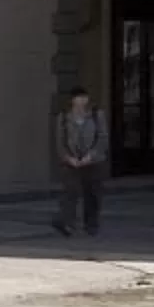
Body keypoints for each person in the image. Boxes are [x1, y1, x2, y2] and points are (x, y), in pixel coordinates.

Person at [52, 84, 109, 240]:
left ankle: (91, 225)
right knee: (70, 192)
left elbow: (102, 138)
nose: (82, 101)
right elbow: (60, 142)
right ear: (72, 100)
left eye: (84, 97)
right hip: (72, 161)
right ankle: (67, 223)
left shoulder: (97, 115)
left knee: (92, 193)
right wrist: (69, 158)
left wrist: (90, 156)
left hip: (93, 160)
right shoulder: (64, 117)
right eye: (79, 98)